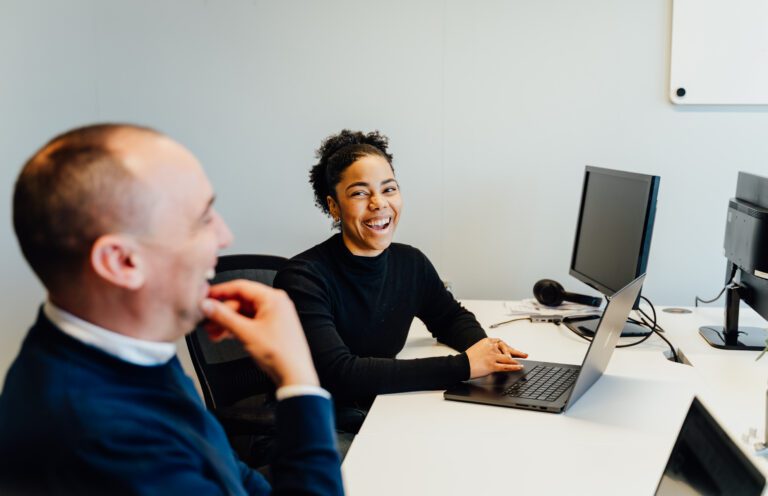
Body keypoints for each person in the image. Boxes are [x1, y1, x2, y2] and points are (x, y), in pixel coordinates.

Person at [0, 124, 344, 495]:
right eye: (202, 220)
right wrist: (299, 380)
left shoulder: (128, 347)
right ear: (122, 262)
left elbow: (225, 473)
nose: (224, 236)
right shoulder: (108, 442)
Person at [274, 129, 528, 414]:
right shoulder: (302, 278)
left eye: (389, 189)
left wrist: (488, 350)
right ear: (334, 207)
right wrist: (465, 366)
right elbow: (340, 373)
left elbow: (449, 317)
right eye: (360, 193)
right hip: (323, 424)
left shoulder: (410, 263)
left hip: (382, 408)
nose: (379, 203)